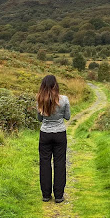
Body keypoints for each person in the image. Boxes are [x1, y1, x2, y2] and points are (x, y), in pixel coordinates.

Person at [36, 75, 71, 203]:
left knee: (45, 163)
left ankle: (46, 195)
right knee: (60, 163)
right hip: (60, 133)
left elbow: (39, 119)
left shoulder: (40, 99)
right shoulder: (64, 99)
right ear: (56, 85)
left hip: (45, 134)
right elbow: (67, 117)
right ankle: (59, 195)